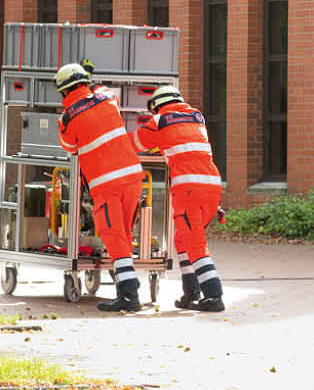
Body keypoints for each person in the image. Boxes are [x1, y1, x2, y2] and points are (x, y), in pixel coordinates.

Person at [53, 62, 148, 313]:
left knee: (113, 234)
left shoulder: (67, 118)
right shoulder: (106, 97)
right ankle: (127, 287)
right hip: (132, 177)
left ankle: (129, 295)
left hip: (106, 184)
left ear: (63, 91)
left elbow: (69, 147)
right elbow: (105, 94)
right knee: (124, 234)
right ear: (86, 82)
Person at [131, 85, 225, 312]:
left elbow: (139, 144)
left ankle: (214, 295)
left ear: (157, 106)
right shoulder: (197, 116)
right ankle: (191, 292)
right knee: (183, 239)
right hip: (212, 185)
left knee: (194, 242)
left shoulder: (159, 120)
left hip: (188, 188)